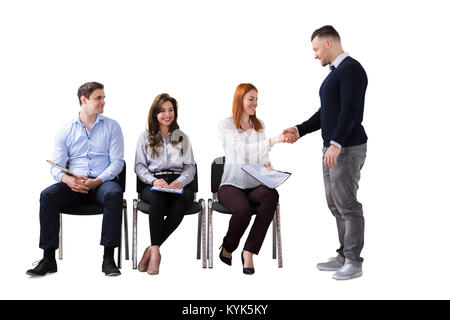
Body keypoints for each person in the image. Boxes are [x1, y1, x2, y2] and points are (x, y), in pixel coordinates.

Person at [283, 25, 368, 280]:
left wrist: (337, 143)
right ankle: (343, 255)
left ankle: (353, 261)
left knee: (348, 205)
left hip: (347, 148)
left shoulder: (351, 69)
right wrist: (300, 129)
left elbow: (350, 111)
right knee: (335, 204)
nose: (315, 55)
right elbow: (326, 113)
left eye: (316, 48)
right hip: (332, 148)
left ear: (328, 43)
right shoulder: (336, 73)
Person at [26, 82, 125, 277]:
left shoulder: (112, 127)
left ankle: (108, 258)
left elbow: (117, 163)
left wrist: (97, 181)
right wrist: (67, 180)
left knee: (114, 193)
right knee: (48, 195)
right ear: (84, 100)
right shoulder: (66, 129)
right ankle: (48, 258)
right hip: (74, 185)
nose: (103, 101)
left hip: (102, 184)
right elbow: (55, 165)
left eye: (103, 97)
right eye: (99, 98)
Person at [217, 83, 287, 275]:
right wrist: (274, 140)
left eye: (257, 99)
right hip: (232, 185)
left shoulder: (259, 125)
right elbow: (244, 151)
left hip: (255, 184)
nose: (255, 103)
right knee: (243, 211)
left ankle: (249, 251)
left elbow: (262, 156)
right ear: (240, 99)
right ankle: (228, 247)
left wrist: (268, 166)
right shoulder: (226, 125)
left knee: (271, 196)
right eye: (251, 99)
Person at [135, 93, 196, 275]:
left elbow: (190, 167)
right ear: (155, 113)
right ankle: (156, 252)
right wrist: (154, 181)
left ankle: (152, 248)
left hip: (178, 182)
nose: (167, 114)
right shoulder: (145, 136)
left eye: (171, 110)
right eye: (162, 111)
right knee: (157, 197)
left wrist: (180, 181)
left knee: (183, 202)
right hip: (154, 182)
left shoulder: (181, 137)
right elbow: (139, 166)